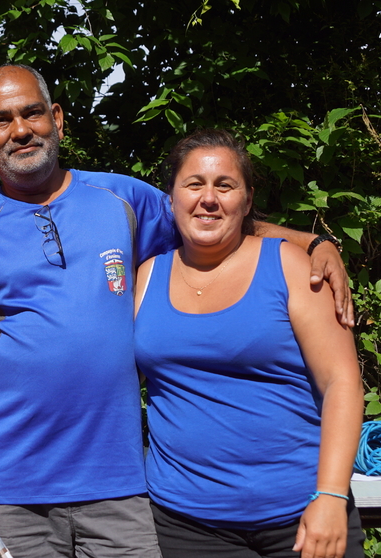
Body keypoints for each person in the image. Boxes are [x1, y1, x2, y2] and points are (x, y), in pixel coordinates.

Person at [0, 65, 353, 558]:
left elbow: (212, 217)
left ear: (57, 119)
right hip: (6, 489)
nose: (21, 130)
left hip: (122, 486)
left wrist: (313, 242)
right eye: (2, 120)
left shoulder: (124, 199)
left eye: (33, 113)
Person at [133, 129, 365, 558]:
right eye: (194, 184)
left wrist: (332, 496)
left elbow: (342, 382)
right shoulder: (146, 277)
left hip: (302, 516)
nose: (208, 198)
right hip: (186, 525)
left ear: (247, 199)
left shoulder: (292, 267)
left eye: (225, 185)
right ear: (171, 198)